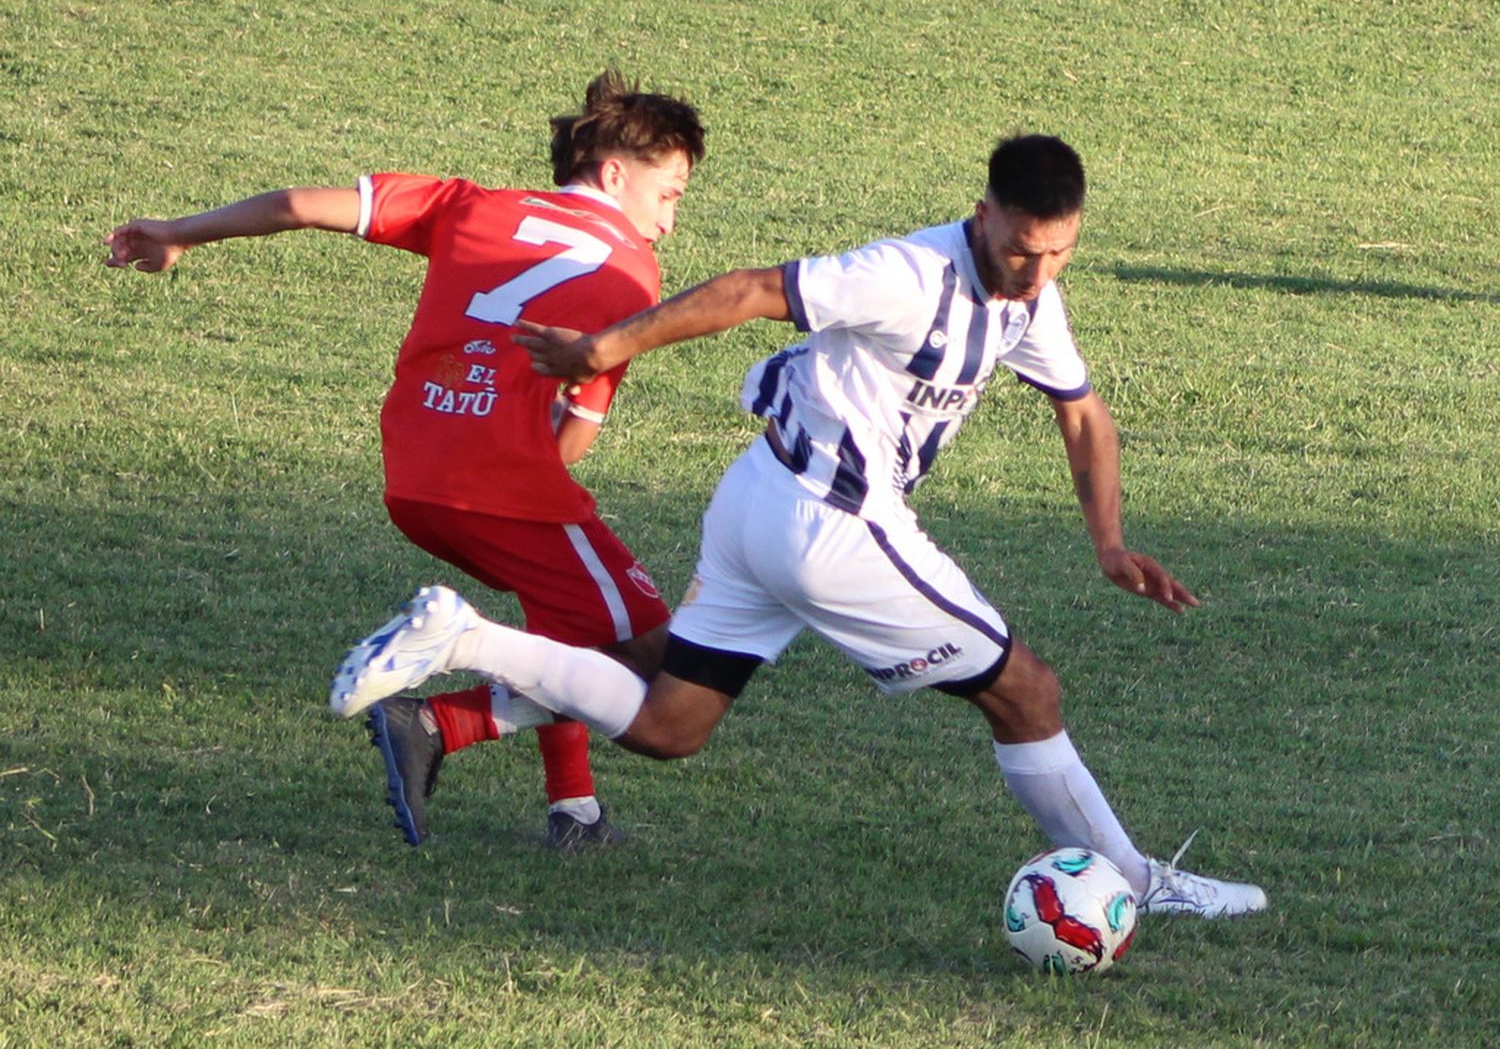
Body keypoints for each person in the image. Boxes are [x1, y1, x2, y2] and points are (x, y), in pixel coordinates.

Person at [338, 133, 1267, 917]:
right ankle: (1137, 886)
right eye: (1024, 249)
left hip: (761, 506)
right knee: (1027, 690)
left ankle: (467, 638)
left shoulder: (1032, 297)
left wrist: (1107, 541)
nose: (1039, 271)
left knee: (669, 725)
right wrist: (603, 347)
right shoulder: (905, 275)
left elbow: (1084, 413)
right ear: (982, 215)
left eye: (1059, 252)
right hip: (832, 522)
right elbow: (749, 290)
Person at [104, 70, 706, 851]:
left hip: (414, 481)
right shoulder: (631, 272)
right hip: (501, 488)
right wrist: (537, 481)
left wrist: (179, 231)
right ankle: (437, 718)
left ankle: (575, 814)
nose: (671, 218)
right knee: (671, 683)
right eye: (671, 193)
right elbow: (577, 434)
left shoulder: (469, 204)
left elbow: (297, 205)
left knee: (563, 628)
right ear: (616, 174)